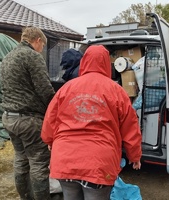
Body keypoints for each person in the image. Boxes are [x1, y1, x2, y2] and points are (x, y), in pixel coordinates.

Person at [41, 45, 142, 200]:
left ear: (84, 61)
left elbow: (50, 119)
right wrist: (134, 156)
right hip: (98, 164)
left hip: (65, 160)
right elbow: (130, 127)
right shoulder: (117, 91)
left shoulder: (66, 88)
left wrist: (49, 140)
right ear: (106, 63)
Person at [0, 26, 55, 200]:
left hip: (9, 117)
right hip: (28, 121)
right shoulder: (32, 56)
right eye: (43, 46)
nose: (42, 49)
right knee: (39, 163)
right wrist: (56, 109)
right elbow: (44, 89)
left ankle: (26, 197)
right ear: (38, 40)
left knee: (21, 160)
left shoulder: (8, 57)